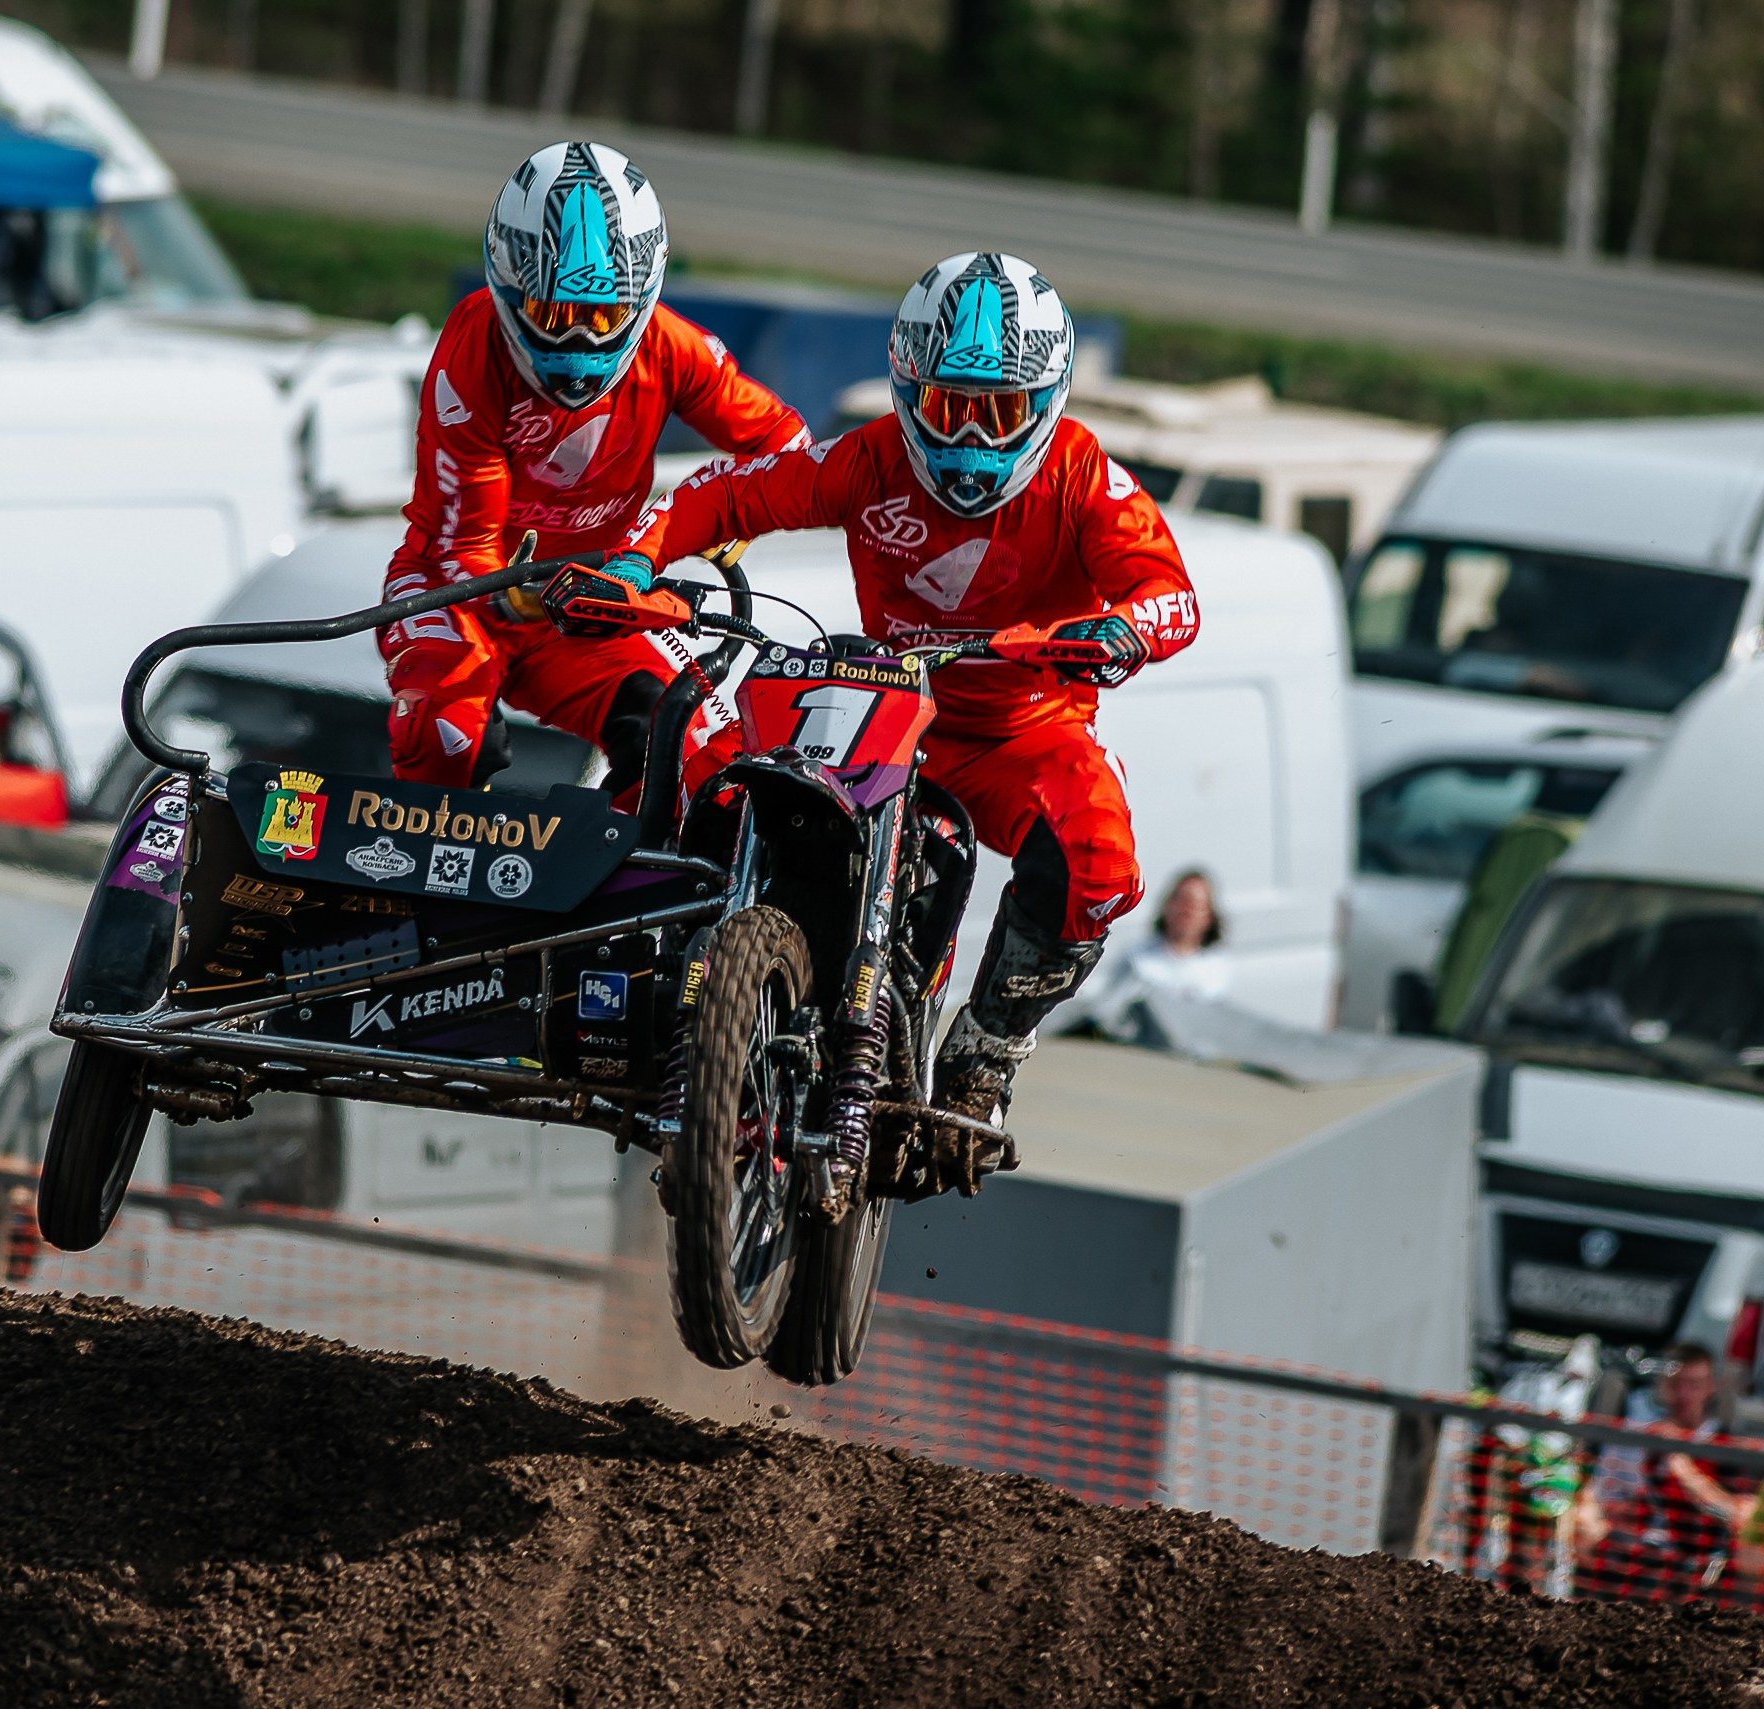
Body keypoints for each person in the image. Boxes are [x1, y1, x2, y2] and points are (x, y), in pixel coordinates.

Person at [577, 251, 1199, 1191]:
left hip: (1025, 729)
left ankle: (985, 1054)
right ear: (910, 393)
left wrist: (1120, 632)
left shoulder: (1085, 478)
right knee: (720, 775)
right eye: (949, 408)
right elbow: (728, 490)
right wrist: (637, 559)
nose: (970, 438)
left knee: (1098, 862)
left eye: (998, 413)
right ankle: (689, 991)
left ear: (1049, 402)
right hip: (888, 707)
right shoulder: (868, 458)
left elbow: (1174, 595)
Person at [380, 140, 810, 800]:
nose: (577, 346)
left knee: (692, 746)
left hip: (590, 605)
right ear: (508, 287)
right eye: (554, 316)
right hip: (455, 592)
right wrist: (510, 591)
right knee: (448, 735)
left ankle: (625, 891)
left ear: (642, 297)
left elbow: (787, 448)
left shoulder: (673, 347)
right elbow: (463, 545)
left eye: (603, 316)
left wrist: (699, 527)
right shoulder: (472, 345)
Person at [1577, 1344, 1745, 1602]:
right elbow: (1597, 1488)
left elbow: (1739, 1515)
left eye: (1694, 1384)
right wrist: (1592, 1515)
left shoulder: (1725, 1445)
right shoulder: (1638, 1432)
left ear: (1711, 1387)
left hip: (1689, 1567)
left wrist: (1683, 1471)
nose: (1683, 1394)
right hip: (1628, 1557)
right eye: (1675, 1384)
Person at [1124, 868, 1231, 1002]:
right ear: (1167, 906)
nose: (1186, 911)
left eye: (1195, 905)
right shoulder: (1137, 959)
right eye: (1182, 901)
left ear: (1209, 917)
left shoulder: (1216, 969)